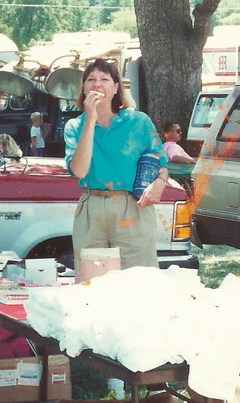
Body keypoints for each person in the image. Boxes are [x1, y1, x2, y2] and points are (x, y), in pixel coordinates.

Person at [63, 58, 169, 270]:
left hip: (131, 207)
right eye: (91, 79)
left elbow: (161, 165)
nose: (97, 84)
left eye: (104, 79)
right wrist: (90, 120)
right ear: (83, 88)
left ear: (116, 88)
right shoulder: (74, 126)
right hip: (92, 207)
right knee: (92, 279)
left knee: (138, 277)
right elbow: (80, 170)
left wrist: (160, 183)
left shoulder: (138, 121)